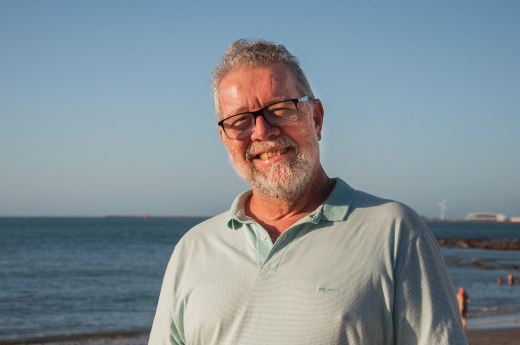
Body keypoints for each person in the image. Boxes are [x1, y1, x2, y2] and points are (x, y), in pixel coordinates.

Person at [149, 39, 467, 344]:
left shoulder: (395, 234)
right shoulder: (193, 250)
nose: (262, 131)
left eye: (280, 109)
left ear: (315, 118)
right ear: (225, 138)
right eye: (239, 121)